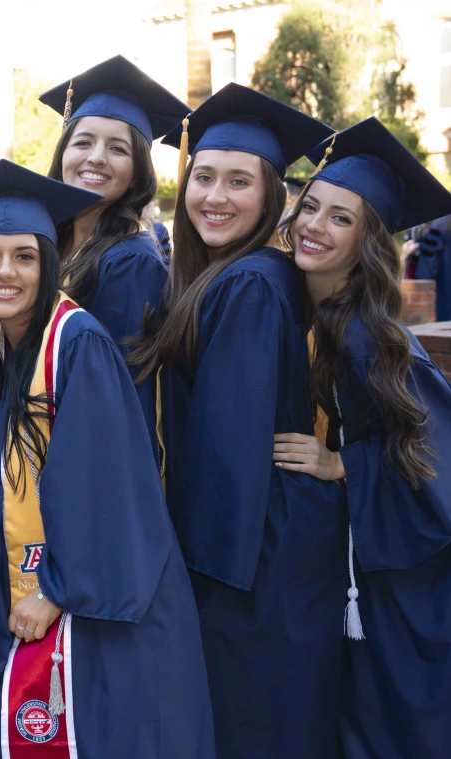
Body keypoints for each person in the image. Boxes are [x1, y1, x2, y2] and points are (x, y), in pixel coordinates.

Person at [0, 159, 213, 758]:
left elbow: (106, 484)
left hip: (99, 606)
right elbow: (4, 480)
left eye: (24, 256)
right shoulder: (10, 350)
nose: (4, 272)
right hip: (46, 591)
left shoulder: (77, 341)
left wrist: (59, 589)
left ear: (49, 262)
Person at [130, 83, 342, 758]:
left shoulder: (249, 283)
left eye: (239, 181)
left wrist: (185, 585)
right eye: (204, 178)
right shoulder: (230, 274)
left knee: (251, 726)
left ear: (273, 194)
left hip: (248, 561)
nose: (215, 197)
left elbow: (225, 454)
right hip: (263, 548)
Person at [274, 117, 451, 759]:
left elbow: (438, 456)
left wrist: (342, 463)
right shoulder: (312, 311)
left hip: (407, 585)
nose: (314, 225)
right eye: (310, 206)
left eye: (340, 219)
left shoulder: (370, 340)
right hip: (364, 572)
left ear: (368, 241)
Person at [37, 55, 189, 452]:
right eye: (83, 142)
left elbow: (115, 397)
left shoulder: (132, 262)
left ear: (138, 169)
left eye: (117, 148)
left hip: (77, 456)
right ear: (63, 154)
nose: (96, 157)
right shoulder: (46, 243)